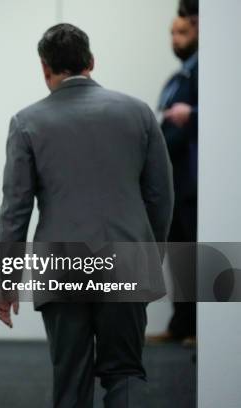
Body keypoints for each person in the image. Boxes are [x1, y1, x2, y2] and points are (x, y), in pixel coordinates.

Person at [0, 24, 174, 408]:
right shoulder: (139, 113)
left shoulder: (27, 122)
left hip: (61, 266)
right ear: (91, 61)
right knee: (125, 373)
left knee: (71, 381)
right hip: (126, 260)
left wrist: (5, 281)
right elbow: (160, 196)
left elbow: (16, 208)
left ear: (45, 69)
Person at [148, 11, 199, 347]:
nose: (174, 39)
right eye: (171, 33)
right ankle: (181, 325)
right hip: (174, 184)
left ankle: (203, 328)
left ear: (196, 29)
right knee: (180, 255)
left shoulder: (206, 74)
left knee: (199, 256)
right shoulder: (177, 78)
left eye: (181, 32)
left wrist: (192, 116)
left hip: (196, 183)